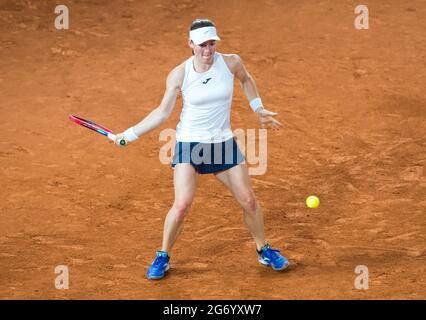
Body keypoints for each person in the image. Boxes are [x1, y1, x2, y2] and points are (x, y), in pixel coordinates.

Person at [114, 19, 289, 280]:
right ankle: (163, 256)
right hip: (190, 144)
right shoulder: (179, 74)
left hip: (222, 143)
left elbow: (246, 79)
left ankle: (263, 249)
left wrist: (258, 108)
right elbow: (162, 113)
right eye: (202, 45)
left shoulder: (230, 62)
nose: (208, 50)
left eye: (212, 43)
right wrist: (128, 135)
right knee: (182, 204)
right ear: (190, 44)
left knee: (249, 201)